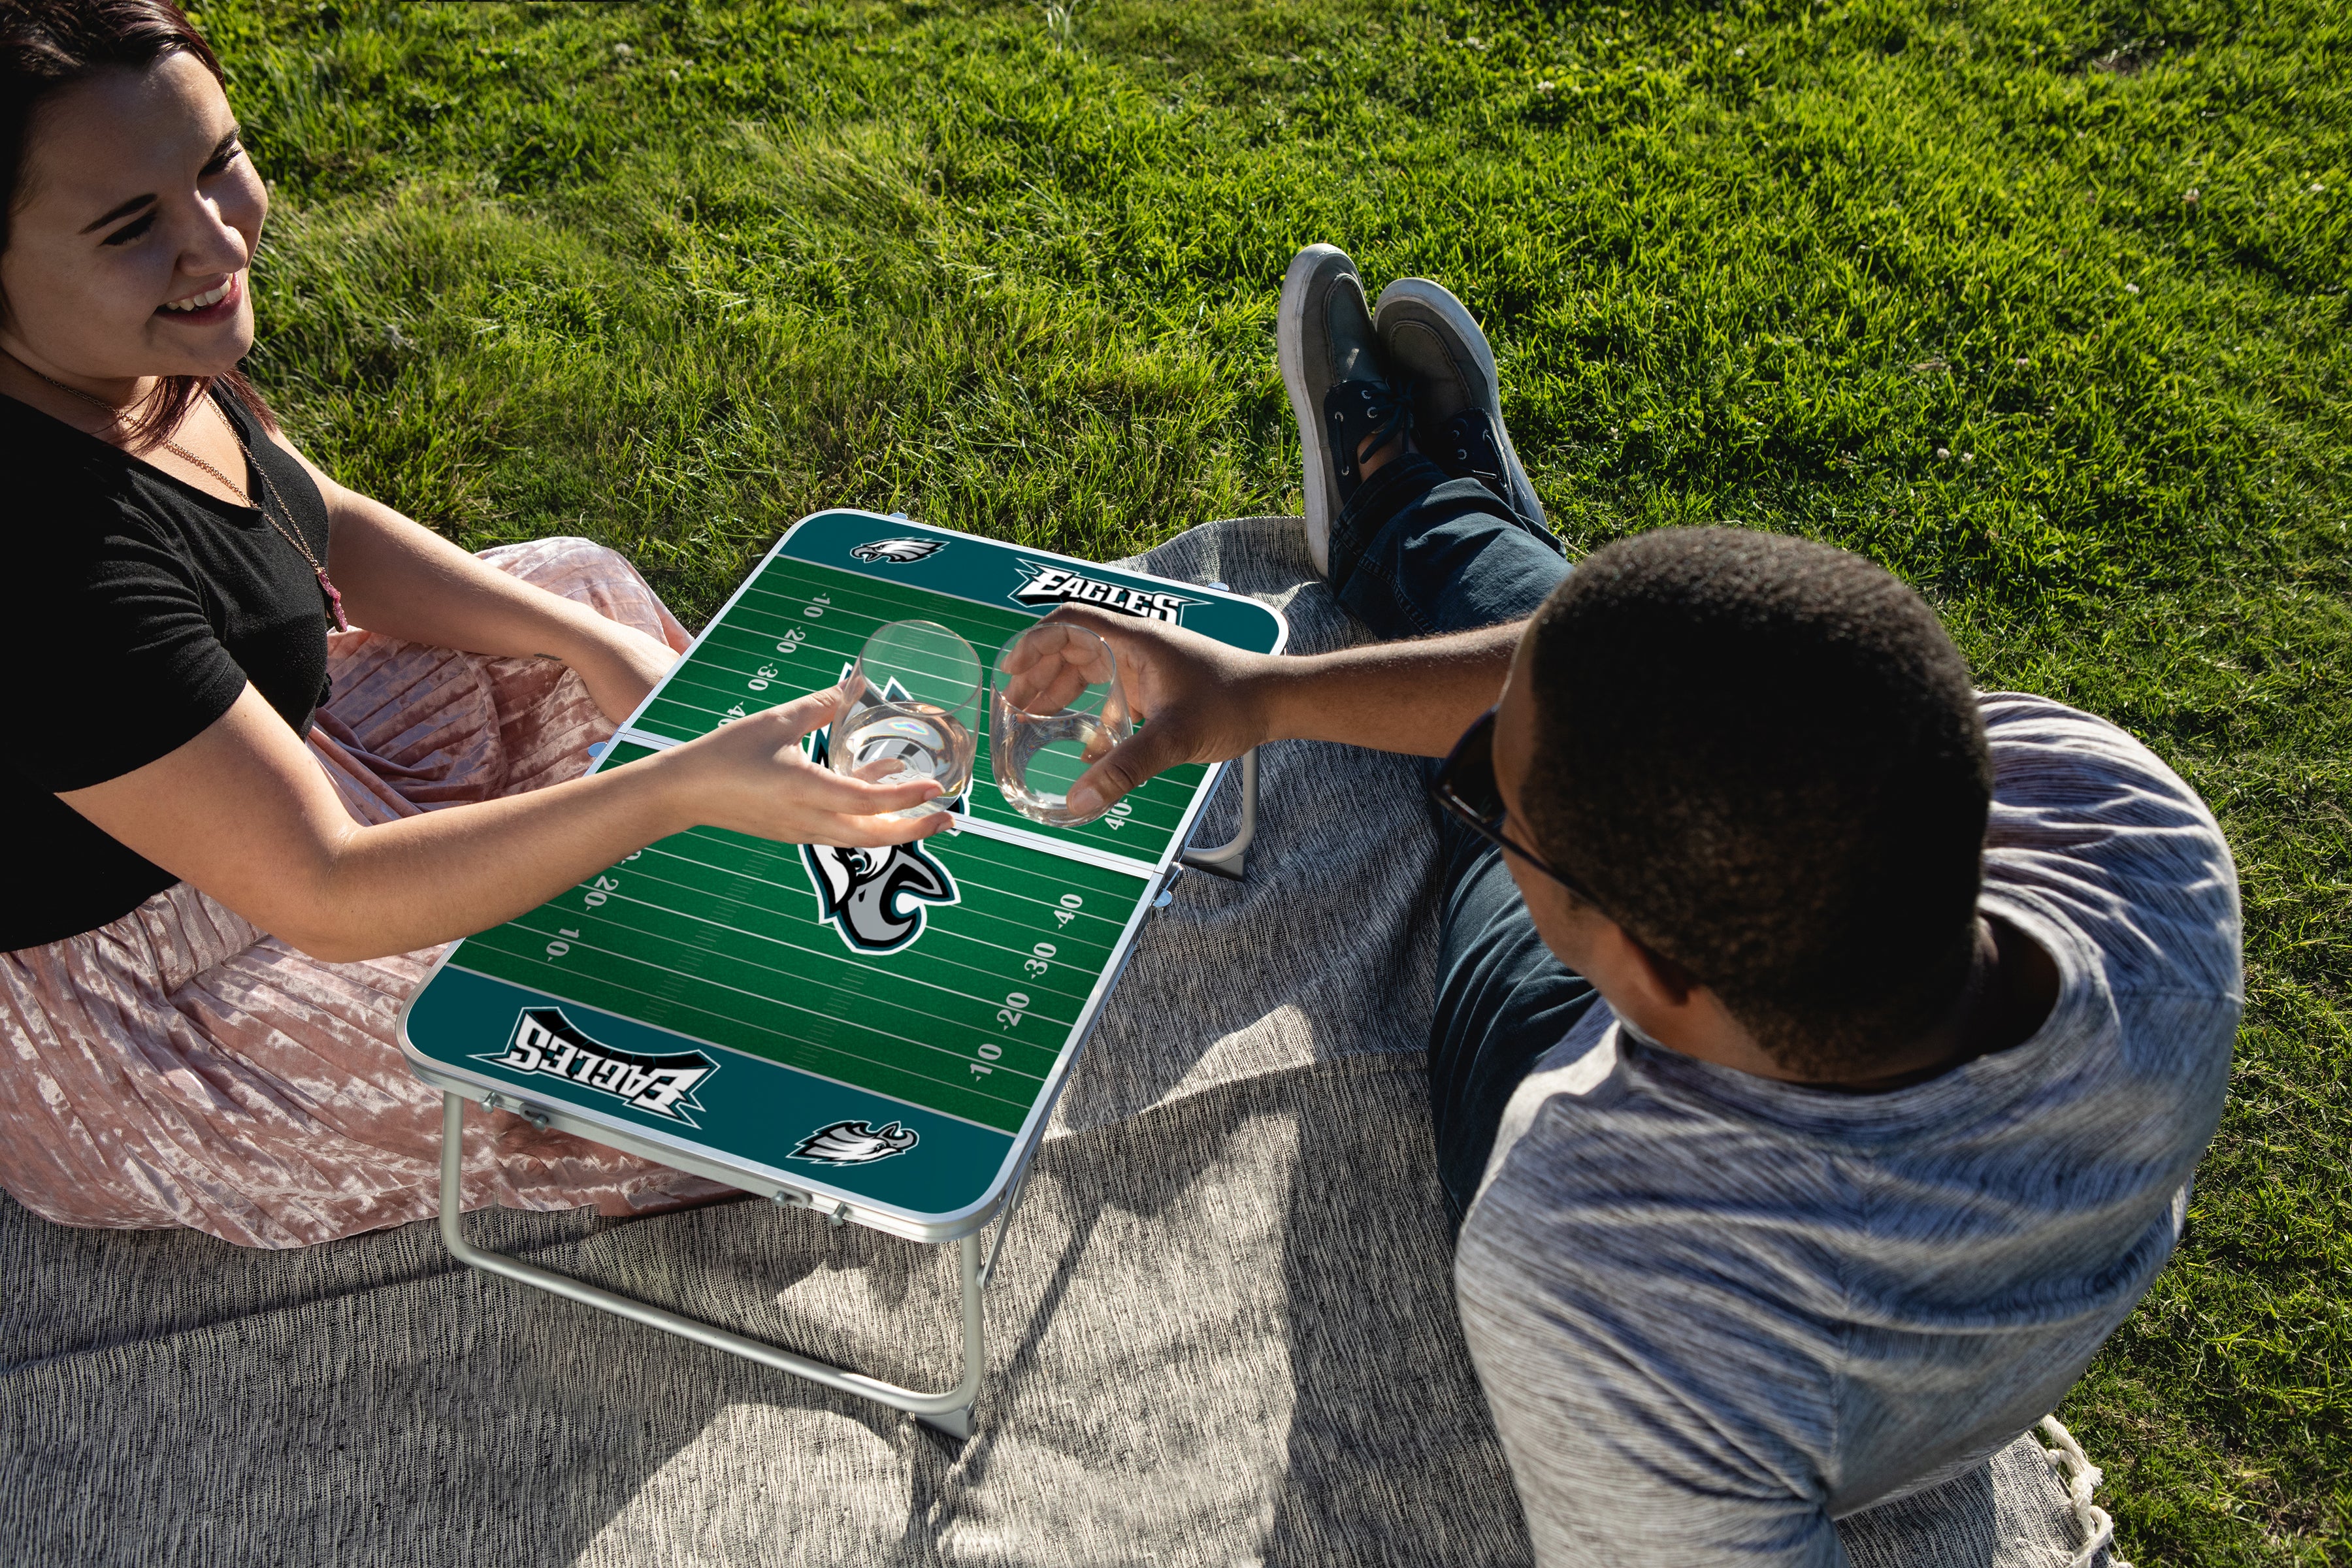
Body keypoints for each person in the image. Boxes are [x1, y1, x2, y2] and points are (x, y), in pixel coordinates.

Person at [1044, 243, 2240, 1564]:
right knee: (1620, 673)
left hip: (1575, 1083)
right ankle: (1444, 526)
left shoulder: (1604, 1259)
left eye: (1499, 811)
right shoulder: (2134, 827)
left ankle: (1429, 521)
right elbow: (1693, 694)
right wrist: (1258, 697)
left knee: (1533, 769)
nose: (1482, 806)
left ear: (1646, 973)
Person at [0, 0, 948, 1248]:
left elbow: (313, 521)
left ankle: (748, 846)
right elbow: (327, 891)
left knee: (574, 588)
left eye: (218, 161)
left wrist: (589, 646)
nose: (217, 236)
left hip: (288, 773)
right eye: (133, 225)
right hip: (163, 1003)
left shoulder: (121, 356)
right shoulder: (41, 553)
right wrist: (669, 791)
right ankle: (742, 880)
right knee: (658, 1050)